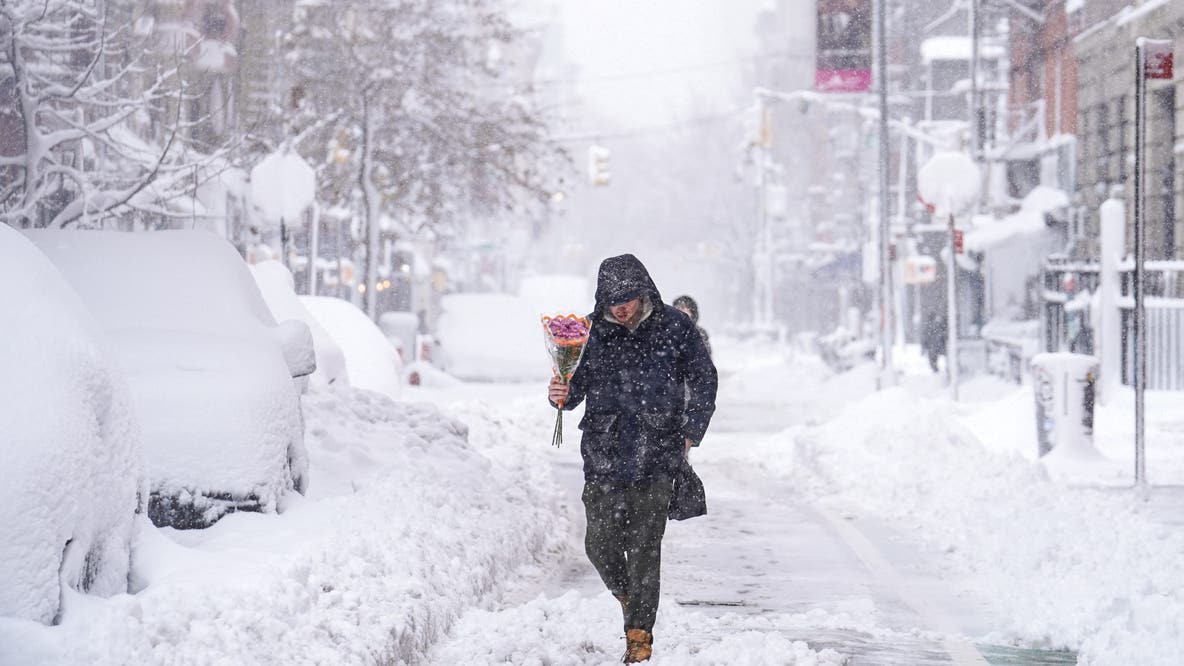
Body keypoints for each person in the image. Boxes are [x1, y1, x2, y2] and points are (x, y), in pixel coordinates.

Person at [548, 254, 717, 664]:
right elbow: (575, 388)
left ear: (643, 292)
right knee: (599, 544)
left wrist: (690, 431)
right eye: (613, 301)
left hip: (658, 453)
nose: (621, 308)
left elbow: (704, 378)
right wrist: (560, 393)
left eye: (626, 300)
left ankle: (639, 636)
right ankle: (628, 595)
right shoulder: (589, 332)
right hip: (604, 453)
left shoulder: (676, 328)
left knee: (645, 548)